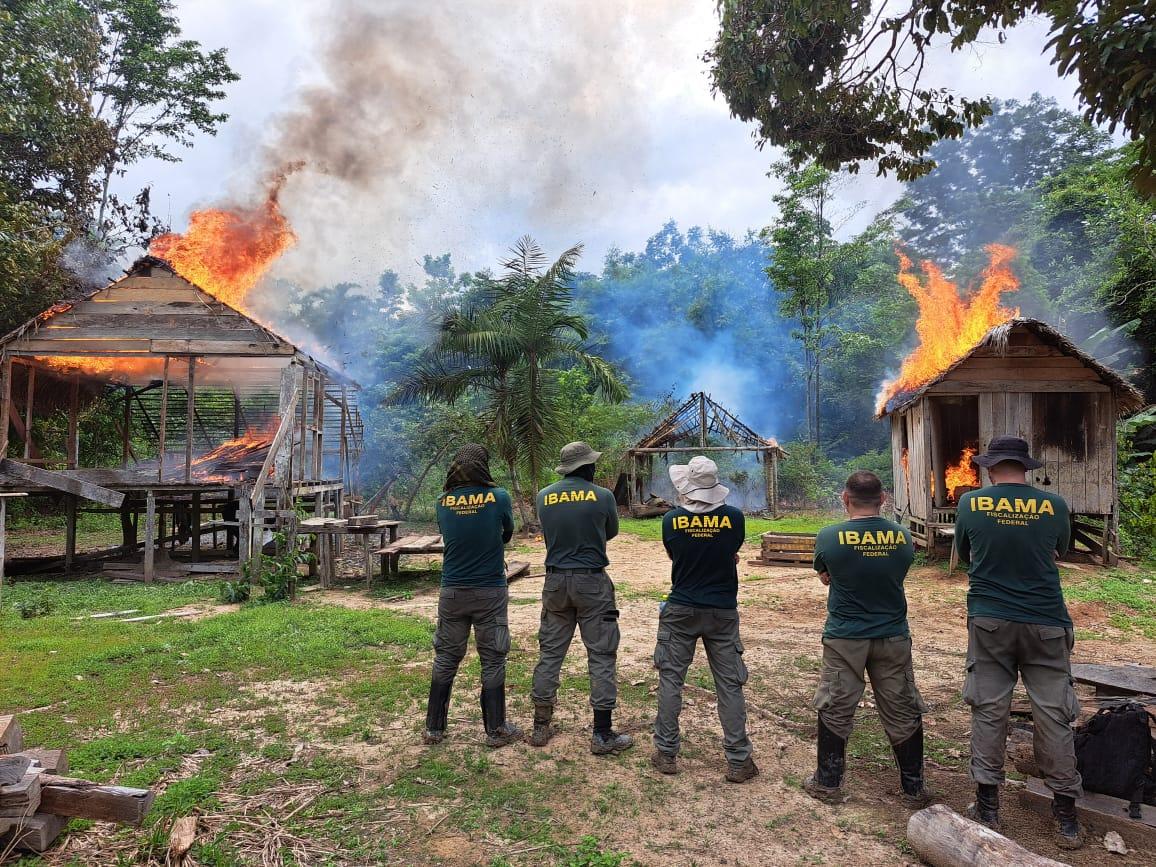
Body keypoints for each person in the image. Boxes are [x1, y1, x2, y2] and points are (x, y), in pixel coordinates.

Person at [954, 436, 1083, 849]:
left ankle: (988, 807)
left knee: (989, 710)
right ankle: (1066, 817)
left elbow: (965, 553)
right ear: (1025, 468)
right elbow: (1061, 551)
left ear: (991, 468)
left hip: (990, 622)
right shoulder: (1054, 505)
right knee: (1054, 714)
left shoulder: (970, 504)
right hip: (1047, 623)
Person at [804, 471, 932, 808]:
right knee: (901, 705)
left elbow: (825, 573)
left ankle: (828, 783)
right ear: (883, 499)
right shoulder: (903, 536)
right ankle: (914, 789)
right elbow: (895, 573)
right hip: (892, 635)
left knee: (835, 703)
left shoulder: (829, 536)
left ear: (845, 498)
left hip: (845, 637)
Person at [651, 456, 758, 783]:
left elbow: (675, 555)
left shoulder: (671, 520)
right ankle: (739, 760)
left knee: (671, 680)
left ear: (687, 486)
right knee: (729, 685)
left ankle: (666, 753)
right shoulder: (734, 518)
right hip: (722, 611)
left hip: (681, 609)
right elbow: (730, 552)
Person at [529, 442, 633, 755]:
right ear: (586, 467)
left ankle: (540, 726)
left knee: (550, 653)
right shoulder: (603, 496)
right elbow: (609, 532)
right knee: (601, 654)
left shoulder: (544, 496)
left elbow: (549, 532)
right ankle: (602, 734)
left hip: (555, 582)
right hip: (592, 583)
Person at [423, 443, 521, 748]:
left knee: (446, 657)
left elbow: (449, 533)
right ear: (483, 467)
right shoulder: (499, 497)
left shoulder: (442, 501)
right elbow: (507, 532)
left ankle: (433, 729)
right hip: (490, 591)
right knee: (493, 659)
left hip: (452, 591)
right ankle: (496, 730)